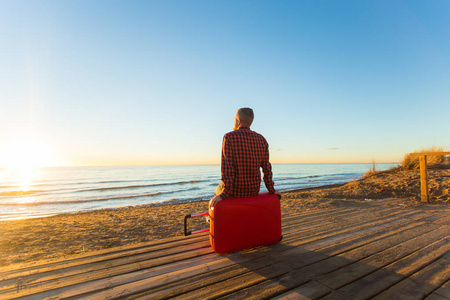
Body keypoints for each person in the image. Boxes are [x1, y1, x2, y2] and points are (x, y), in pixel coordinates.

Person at [209, 108, 281, 208]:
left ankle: (210, 219)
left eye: (234, 119)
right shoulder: (262, 139)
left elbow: (227, 170)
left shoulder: (229, 137)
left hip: (234, 191)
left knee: (214, 196)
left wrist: (223, 194)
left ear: (238, 121)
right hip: (253, 190)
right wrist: (271, 189)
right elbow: (266, 168)